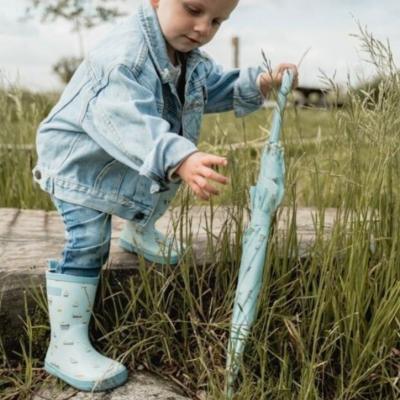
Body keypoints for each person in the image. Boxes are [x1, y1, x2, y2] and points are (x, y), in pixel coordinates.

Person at [33, 0, 299, 392]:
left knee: (165, 178)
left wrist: (259, 83)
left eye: (217, 21)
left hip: (131, 160)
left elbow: (213, 87)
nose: (203, 27)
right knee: (89, 240)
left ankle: (140, 231)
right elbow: (129, 120)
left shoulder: (185, 55)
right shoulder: (124, 56)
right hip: (82, 164)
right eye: (194, 9)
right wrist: (181, 156)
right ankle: (66, 343)